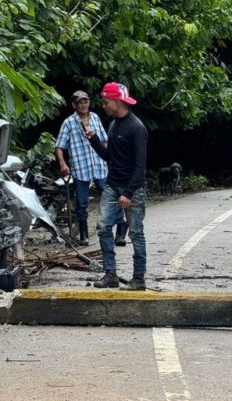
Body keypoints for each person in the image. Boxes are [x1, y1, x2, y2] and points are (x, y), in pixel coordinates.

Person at [85, 82, 147, 291]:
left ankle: (139, 278)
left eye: (105, 101)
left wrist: (128, 193)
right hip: (113, 184)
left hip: (133, 188)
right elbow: (109, 157)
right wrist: (94, 141)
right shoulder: (113, 125)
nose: (103, 105)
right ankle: (110, 274)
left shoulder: (137, 128)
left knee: (136, 232)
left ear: (117, 101)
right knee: (103, 227)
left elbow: (140, 166)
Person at [54, 90, 127, 246]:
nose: (83, 104)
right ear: (74, 105)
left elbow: (105, 140)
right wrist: (62, 163)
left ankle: (121, 229)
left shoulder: (95, 118)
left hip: (99, 165)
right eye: (80, 102)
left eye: (85, 101)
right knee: (81, 202)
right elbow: (59, 146)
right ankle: (84, 235)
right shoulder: (68, 122)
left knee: (110, 197)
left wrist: (109, 158)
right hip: (81, 168)